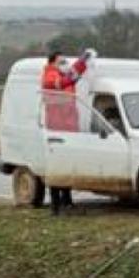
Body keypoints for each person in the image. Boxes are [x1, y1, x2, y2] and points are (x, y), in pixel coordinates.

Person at [41, 48, 97, 215]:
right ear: (51, 63)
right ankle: (56, 206)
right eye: (61, 61)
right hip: (57, 127)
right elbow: (65, 81)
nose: (64, 64)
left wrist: (83, 61)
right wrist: (76, 72)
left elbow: (71, 74)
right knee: (56, 167)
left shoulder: (59, 74)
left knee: (66, 166)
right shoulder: (49, 76)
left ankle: (67, 202)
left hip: (68, 124)